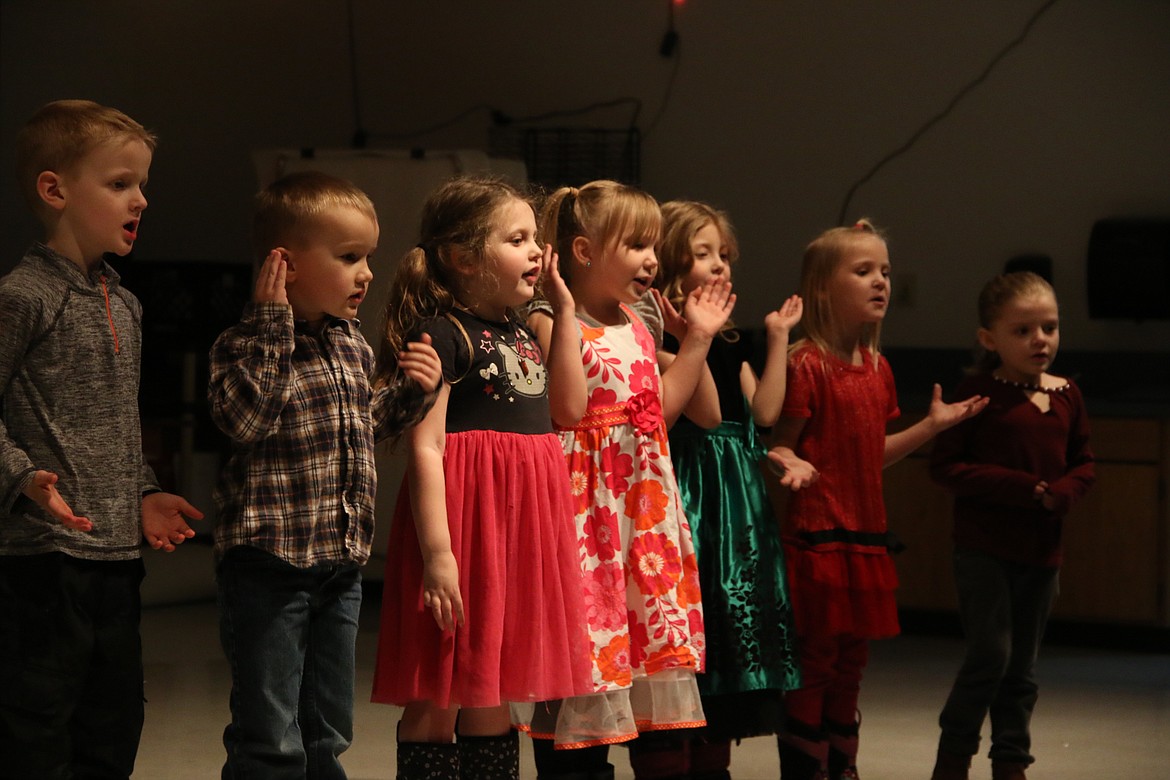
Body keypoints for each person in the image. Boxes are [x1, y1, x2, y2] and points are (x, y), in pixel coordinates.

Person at [208, 171, 441, 777]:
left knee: (328, 729)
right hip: (269, 565)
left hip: (338, 565)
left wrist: (413, 391)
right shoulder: (241, 344)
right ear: (284, 265)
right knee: (270, 729)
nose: (367, 273)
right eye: (349, 257)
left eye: (368, 257)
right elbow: (247, 419)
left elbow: (365, 426)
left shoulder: (350, 344)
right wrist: (271, 327)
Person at [0, 99, 204, 779]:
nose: (140, 200)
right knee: (37, 724)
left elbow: (116, 424)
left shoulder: (126, 302)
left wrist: (142, 492)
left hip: (114, 560)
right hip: (41, 560)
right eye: (120, 184)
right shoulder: (24, 296)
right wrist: (23, 477)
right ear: (55, 189)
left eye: (142, 184)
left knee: (114, 721)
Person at [370, 175, 594, 780]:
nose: (533, 252)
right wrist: (439, 554)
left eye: (534, 239)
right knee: (440, 688)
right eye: (516, 239)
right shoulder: (445, 333)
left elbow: (569, 411)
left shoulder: (525, 333)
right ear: (464, 259)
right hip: (466, 529)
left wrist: (566, 310)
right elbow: (425, 447)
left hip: (516, 534)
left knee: (493, 686)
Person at [526, 181, 735, 780]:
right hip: (586, 516)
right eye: (639, 245)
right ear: (586, 252)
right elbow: (568, 411)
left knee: (630, 667)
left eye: (656, 246)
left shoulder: (638, 328)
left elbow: (662, 414)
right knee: (581, 665)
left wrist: (695, 339)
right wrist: (564, 313)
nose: (652, 259)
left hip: (639, 517)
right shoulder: (552, 321)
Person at [767, 220, 987, 780]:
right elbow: (780, 448)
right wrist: (787, 462)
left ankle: (842, 765)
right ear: (821, 288)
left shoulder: (877, 368)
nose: (881, 282)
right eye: (863, 271)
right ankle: (807, 766)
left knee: (851, 664)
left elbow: (869, 455)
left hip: (863, 538)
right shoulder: (806, 364)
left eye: (885, 271)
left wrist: (930, 428)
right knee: (816, 661)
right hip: (818, 539)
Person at [651, 200, 804, 778]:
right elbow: (706, 417)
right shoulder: (661, 338)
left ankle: (715, 758)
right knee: (700, 612)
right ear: (671, 261)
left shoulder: (733, 342)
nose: (720, 266)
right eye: (703, 254)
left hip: (739, 496)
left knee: (736, 620)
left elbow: (762, 412)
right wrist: (688, 336)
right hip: (694, 487)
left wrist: (778, 338)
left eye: (724, 255)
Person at [927, 271, 1094, 780]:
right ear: (989, 339)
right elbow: (946, 467)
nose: (1039, 339)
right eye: (1022, 330)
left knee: (1022, 668)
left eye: (1049, 327)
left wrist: (1063, 492)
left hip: (1042, 553)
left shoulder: (1067, 393)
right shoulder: (979, 393)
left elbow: (1083, 462)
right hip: (984, 551)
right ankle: (953, 757)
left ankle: (1011, 762)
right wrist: (1022, 488)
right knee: (990, 656)